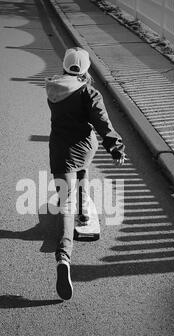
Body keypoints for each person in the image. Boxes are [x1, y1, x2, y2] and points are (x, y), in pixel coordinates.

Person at [45, 48, 126, 301]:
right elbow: (102, 123)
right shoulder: (89, 92)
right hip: (84, 147)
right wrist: (115, 147)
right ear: (86, 69)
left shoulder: (53, 88)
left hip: (60, 151)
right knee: (82, 174)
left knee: (64, 203)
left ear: (65, 66)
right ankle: (83, 212)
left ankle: (63, 258)